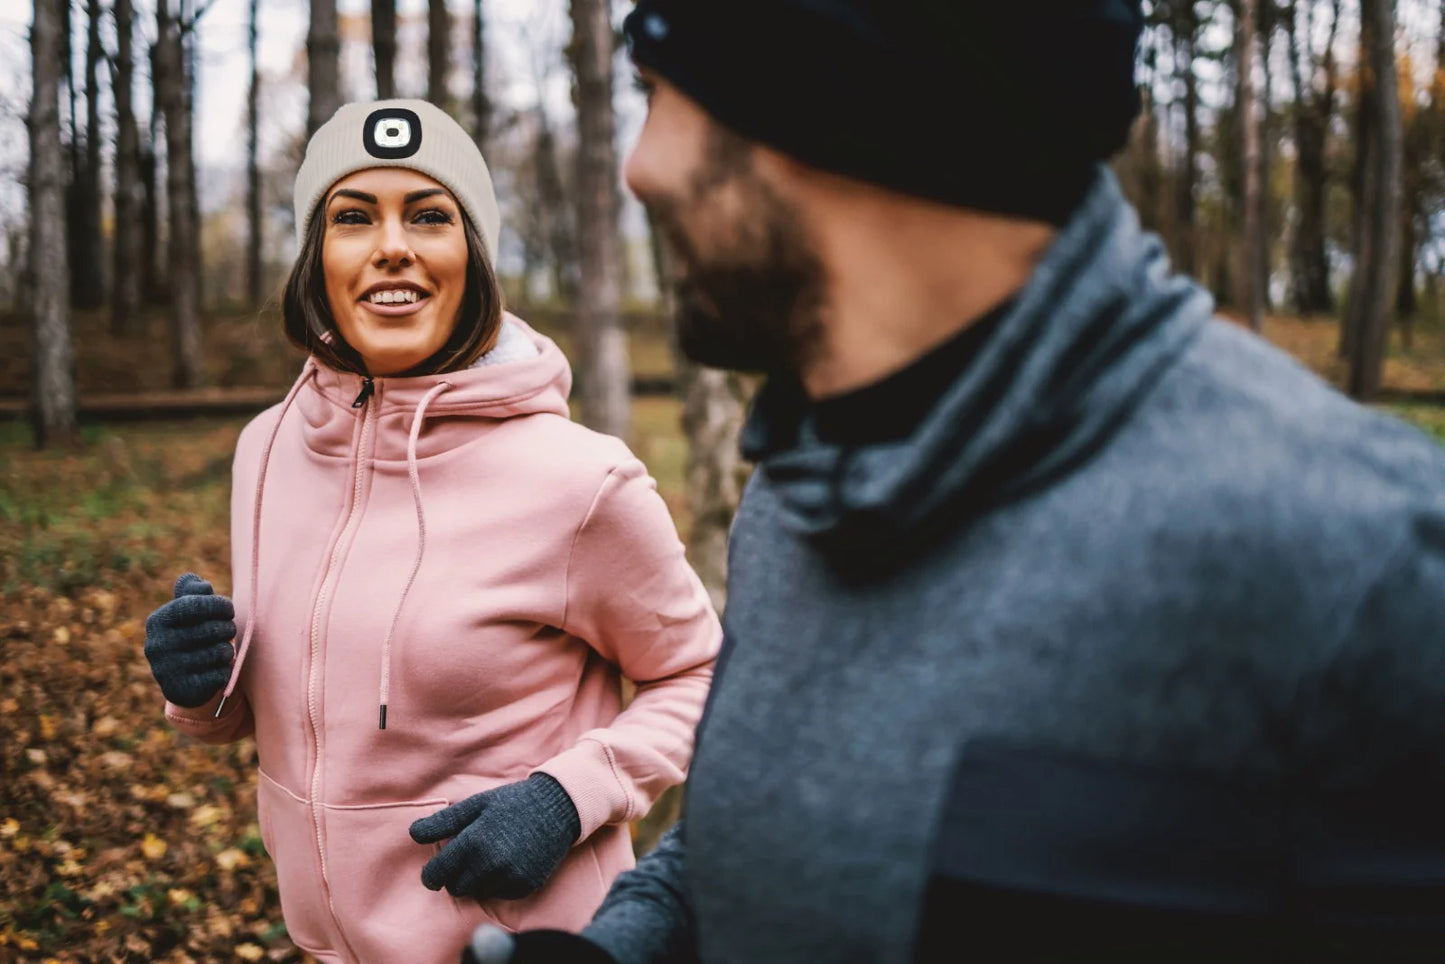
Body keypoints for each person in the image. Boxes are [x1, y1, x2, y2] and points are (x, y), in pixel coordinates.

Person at [466, 1, 1445, 962]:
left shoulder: (1361, 567)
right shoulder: (798, 487)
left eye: (661, 93)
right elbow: (754, 836)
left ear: (822, 106)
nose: (640, 169)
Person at [140, 99, 721, 964]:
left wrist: (569, 796)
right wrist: (200, 688)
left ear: (472, 256)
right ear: (316, 257)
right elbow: (291, 711)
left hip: (525, 947)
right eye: (352, 217)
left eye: (428, 215)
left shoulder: (581, 480)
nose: (391, 246)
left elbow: (704, 676)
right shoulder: (267, 449)